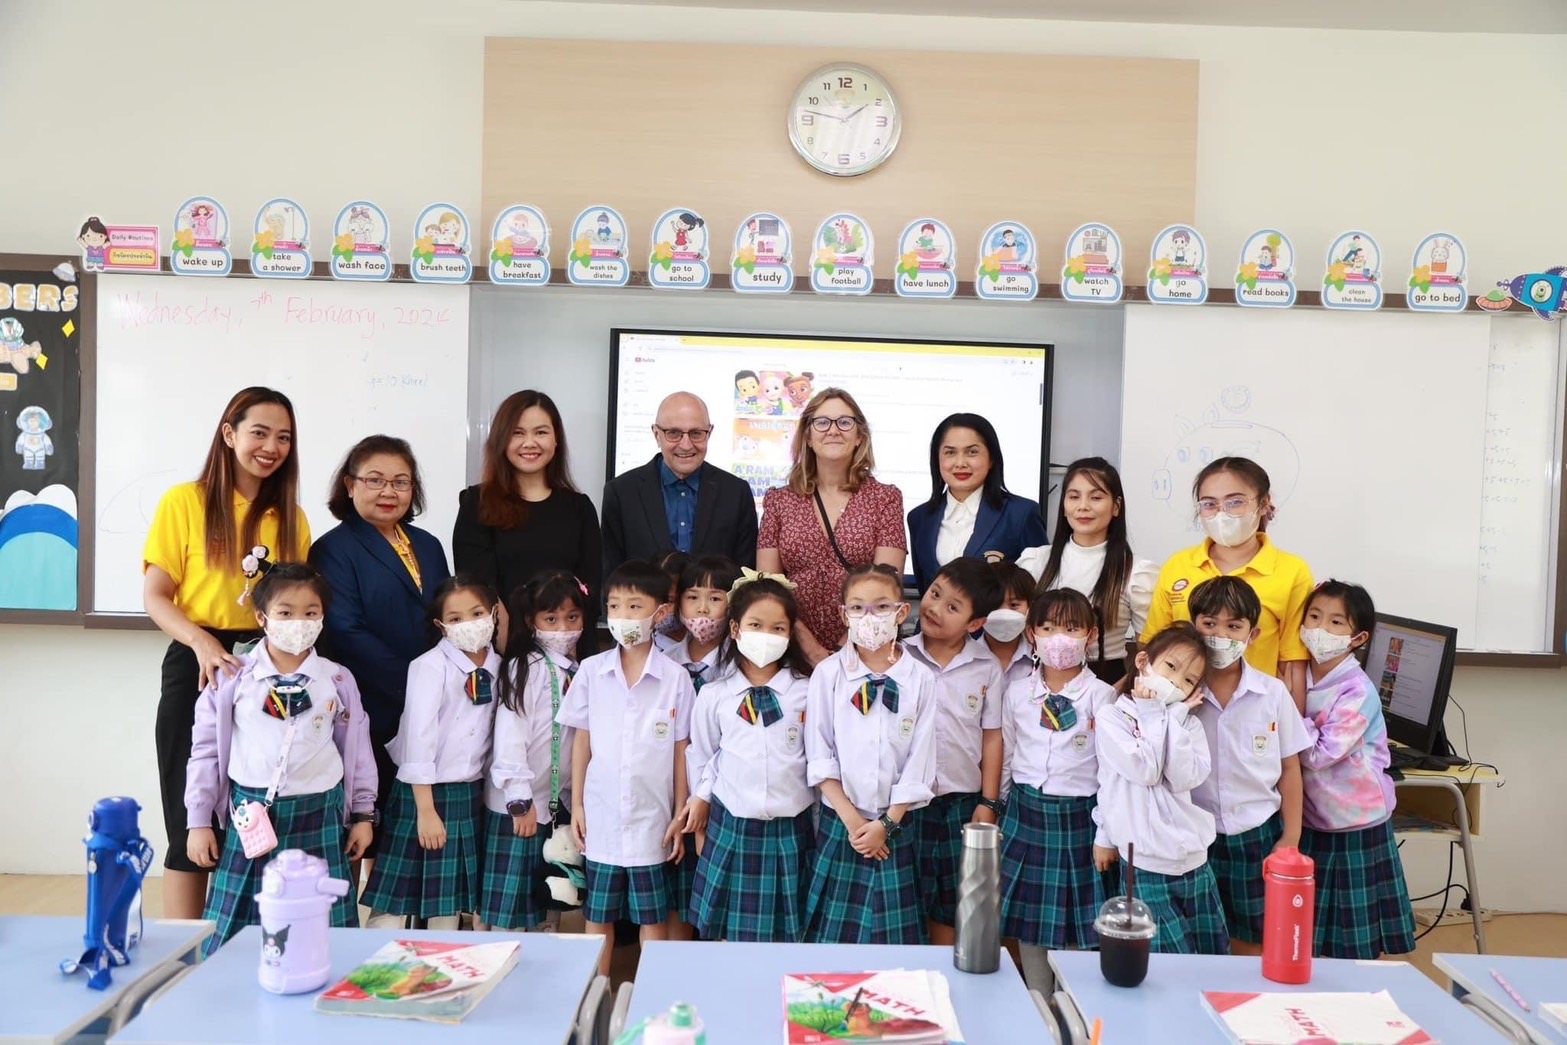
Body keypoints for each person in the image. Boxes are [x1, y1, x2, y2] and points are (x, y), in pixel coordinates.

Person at [143, 386, 311, 920]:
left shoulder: (291, 516)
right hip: (197, 661)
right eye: (259, 432)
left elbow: (297, 608)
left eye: (283, 437)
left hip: (268, 666)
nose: (271, 447)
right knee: (190, 817)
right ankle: (183, 952)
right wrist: (202, 643)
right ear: (229, 434)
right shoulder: (184, 502)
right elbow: (155, 596)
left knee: (261, 808)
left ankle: (257, 941)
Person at [184, 563, 377, 955]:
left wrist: (362, 814)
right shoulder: (231, 676)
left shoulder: (337, 679)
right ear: (262, 617)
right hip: (252, 815)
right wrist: (199, 821)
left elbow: (358, 750)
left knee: (324, 931)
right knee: (234, 932)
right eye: (285, 613)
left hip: (320, 813)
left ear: (322, 617)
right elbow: (204, 751)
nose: (298, 622)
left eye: (310, 612)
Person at [310, 435, 450, 871]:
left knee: (403, 833)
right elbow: (346, 629)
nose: (389, 491)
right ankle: (347, 910)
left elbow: (446, 617)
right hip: (367, 704)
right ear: (350, 485)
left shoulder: (428, 544)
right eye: (375, 480)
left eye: (401, 482)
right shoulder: (333, 548)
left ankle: (384, 908)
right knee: (358, 824)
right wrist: (416, 684)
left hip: (427, 709)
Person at [556, 560, 697, 977]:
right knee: (598, 918)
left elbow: (681, 750)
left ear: (661, 613)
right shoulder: (591, 671)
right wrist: (577, 805)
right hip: (601, 817)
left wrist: (680, 812)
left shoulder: (676, 678)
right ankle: (595, 994)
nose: (623, 615)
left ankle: (651, 993)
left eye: (635, 606)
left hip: (654, 820)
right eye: (615, 606)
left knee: (653, 918)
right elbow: (581, 741)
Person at [803, 564, 936, 944]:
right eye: (858, 607)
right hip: (842, 823)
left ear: (901, 612)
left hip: (897, 825)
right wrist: (854, 823)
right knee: (834, 937)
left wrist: (886, 826)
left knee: (896, 940)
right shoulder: (828, 674)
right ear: (844, 614)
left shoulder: (920, 679)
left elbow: (920, 760)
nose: (869, 617)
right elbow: (819, 753)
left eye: (881, 607)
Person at [362, 576, 501, 930]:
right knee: (395, 898)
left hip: (467, 793)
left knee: (448, 900)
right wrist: (425, 811)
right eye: (455, 618)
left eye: (477, 613)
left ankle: (443, 958)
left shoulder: (499, 666)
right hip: (422, 793)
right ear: (440, 625)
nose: (468, 623)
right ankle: (378, 955)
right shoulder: (429, 666)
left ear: (493, 613)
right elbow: (418, 740)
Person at [682, 573, 814, 941]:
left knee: (789, 936)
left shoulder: (806, 692)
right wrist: (701, 813)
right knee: (728, 940)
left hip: (791, 831)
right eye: (756, 625)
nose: (766, 635)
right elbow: (703, 756)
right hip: (732, 829)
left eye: (778, 628)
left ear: (790, 634)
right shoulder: (715, 695)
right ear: (736, 629)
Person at [998, 588, 1116, 985]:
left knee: (1078, 921)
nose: (1059, 639)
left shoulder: (1102, 697)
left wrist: (1106, 834)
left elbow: (1112, 773)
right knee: (1030, 921)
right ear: (1031, 634)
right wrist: (1001, 813)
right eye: (1047, 629)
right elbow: (1008, 754)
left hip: (1080, 817)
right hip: (1026, 814)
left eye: (1071, 629)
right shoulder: (1018, 692)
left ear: (1091, 635)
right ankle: (1036, 996)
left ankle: (1072, 1001)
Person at [1186, 576, 1308, 956]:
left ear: (1252, 635)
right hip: (1194, 834)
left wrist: (1291, 837)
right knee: (1198, 934)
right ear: (1193, 626)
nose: (1220, 636)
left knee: (1253, 938)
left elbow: (1290, 769)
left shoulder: (1272, 694)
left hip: (1255, 836)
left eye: (1233, 626)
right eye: (1209, 624)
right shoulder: (1180, 694)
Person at [1296, 580, 1417, 959]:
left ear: (1358, 637)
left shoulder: (1357, 690)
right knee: (1311, 934)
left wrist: (1290, 714)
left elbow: (1320, 754)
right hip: (1313, 818)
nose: (1320, 628)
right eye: (1314, 616)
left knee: (1354, 940)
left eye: (1336, 622)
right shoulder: (1299, 675)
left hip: (1355, 821)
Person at [1093, 623, 1229, 955]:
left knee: (1214, 958)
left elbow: (1184, 777)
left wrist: (1175, 716)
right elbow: (1145, 771)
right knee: (1168, 962)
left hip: (1194, 860)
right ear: (1143, 661)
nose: (1176, 682)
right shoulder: (1112, 717)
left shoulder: (1188, 724)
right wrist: (1154, 715)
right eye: (1171, 666)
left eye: (1189, 680)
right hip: (1145, 862)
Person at [1142, 456, 1313, 711]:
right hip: (1183, 712)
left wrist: (1293, 728)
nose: (1221, 514)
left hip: (1254, 713)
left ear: (1264, 503)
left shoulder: (1292, 572)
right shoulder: (1178, 566)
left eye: (1235, 502)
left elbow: (1293, 664)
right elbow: (1154, 647)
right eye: (1209, 504)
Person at [757, 388, 907, 665]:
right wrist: (809, 647)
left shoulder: (886, 499)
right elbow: (768, 585)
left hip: (864, 650)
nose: (833, 430)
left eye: (845, 422)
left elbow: (888, 584)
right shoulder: (779, 500)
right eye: (822, 422)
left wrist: (843, 649)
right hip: (791, 649)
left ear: (859, 436)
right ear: (808, 436)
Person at [904, 557, 1005, 945]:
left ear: (975, 624)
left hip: (961, 802)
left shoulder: (986, 667)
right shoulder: (900, 657)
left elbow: (992, 737)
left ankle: (942, 969)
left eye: (952, 607)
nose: (935, 608)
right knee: (907, 892)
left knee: (951, 896)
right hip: (908, 802)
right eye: (934, 594)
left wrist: (988, 802)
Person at [454, 390, 602, 649]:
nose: (529, 443)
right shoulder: (477, 504)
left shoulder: (579, 508)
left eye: (541, 432)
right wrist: (510, 656)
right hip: (504, 650)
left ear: (556, 440)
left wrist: (568, 651)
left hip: (569, 650)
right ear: (501, 440)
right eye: (517, 433)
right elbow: (478, 591)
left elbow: (590, 590)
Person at [482, 570, 588, 931]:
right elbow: (511, 736)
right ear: (532, 621)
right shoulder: (525, 667)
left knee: (549, 898)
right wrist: (519, 799)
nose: (563, 628)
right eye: (551, 619)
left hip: (557, 806)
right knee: (510, 908)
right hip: (521, 809)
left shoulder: (579, 670)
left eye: (572, 617)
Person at [1018, 458, 1156, 686]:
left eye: (1096, 497)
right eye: (1074, 497)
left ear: (1116, 507)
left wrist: (1115, 693)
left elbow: (1150, 652)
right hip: (1038, 682)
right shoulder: (1036, 561)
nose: (1083, 506)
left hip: (1107, 681)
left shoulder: (1137, 572)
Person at [664, 554, 742, 940]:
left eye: (715, 598)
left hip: (722, 795)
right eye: (693, 598)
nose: (703, 609)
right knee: (676, 890)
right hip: (671, 792)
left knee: (717, 894)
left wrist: (705, 796)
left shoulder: (739, 668)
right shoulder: (665, 663)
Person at [600, 392, 758, 579]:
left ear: (709, 433)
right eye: (673, 433)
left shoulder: (736, 493)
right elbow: (611, 577)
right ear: (656, 434)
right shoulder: (621, 492)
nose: (686, 445)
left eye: (696, 433)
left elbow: (745, 578)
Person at [906, 414, 1047, 592]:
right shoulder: (919, 518)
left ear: (991, 459)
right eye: (950, 452)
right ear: (937, 459)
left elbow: (1041, 586)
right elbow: (926, 589)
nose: (960, 463)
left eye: (972, 452)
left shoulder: (1021, 514)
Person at [979, 560, 1036, 694]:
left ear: (1030, 607)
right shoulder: (965, 659)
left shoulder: (1041, 658)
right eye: (994, 605)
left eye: (1014, 605)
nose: (1004, 614)